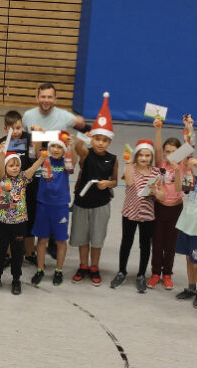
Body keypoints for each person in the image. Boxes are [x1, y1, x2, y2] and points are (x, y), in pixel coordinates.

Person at [22, 83, 85, 262]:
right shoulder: (28, 116)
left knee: (53, 206)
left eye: (50, 97)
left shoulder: (64, 116)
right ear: (37, 98)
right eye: (43, 96)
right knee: (35, 207)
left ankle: (52, 242)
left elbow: (83, 127)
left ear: (55, 99)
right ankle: (30, 247)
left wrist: (81, 124)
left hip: (58, 170)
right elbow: (25, 142)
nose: (46, 100)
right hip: (36, 166)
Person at [70, 93, 118, 286]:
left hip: (101, 204)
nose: (100, 143)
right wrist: (84, 136)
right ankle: (82, 265)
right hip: (82, 202)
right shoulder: (86, 154)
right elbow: (78, 147)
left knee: (97, 238)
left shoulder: (112, 159)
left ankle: (94, 267)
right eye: (97, 139)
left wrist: (109, 184)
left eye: (104, 140)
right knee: (82, 237)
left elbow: (115, 180)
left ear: (109, 142)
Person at [110, 140, 164, 292]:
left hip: (147, 215)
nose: (144, 158)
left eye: (147, 155)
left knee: (145, 245)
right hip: (129, 212)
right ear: (136, 156)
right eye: (141, 155)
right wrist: (127, 163)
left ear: (151, 157)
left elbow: (161, 194)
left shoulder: (156, 172)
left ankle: (141, 274)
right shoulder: (130, 168)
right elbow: (128, 182)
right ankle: (121, 272)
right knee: (126, 242)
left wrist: (156, 192)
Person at [0, 146, 46, 295]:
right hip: (2, 224)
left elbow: (33, 168)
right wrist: (2, 156)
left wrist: (41, 158)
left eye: (17, 165)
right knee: (0, 253)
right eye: (11, 165)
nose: (15, 168)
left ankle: (16, 280)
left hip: (19, 224)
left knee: (17, 254)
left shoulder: (23, 178)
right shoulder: (2, 178)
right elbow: (0, 169)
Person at [30, 131, 77, 286]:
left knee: (60, 240)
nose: (56, 149)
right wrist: (37, 131)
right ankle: (40, 269)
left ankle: (58, 270)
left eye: (59, 147)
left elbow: (74, 160)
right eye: (53, 146)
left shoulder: (66, 162)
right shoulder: (44, 159)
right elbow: (36, 147)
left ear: (64, 150)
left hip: (60, 207)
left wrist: (70, 146)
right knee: (42, 239)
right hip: (43, 205)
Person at [0, 110, 36, 266]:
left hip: (27, 186)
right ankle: (8, 254)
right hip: (6, 189)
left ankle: (29, 252)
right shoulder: (1, 143)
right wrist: (0, 153)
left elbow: (37, 156)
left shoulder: (29, 139)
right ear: (6, 129)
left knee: (28, 218)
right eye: (13, 129)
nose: (17, 132)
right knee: (6, 220)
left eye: (19, 128)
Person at [148, 117, 186, 289]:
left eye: (173, 152)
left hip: (176, 209)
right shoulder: (161, 163)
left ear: (180, 153)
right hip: (159, 208)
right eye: (167, 152)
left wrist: (188, 126)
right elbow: (157, 148)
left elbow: (179, 187)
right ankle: (156, 272)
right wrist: (157, 129)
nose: (169, 155)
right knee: (157, 243)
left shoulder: (182, 165)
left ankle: (168, 274)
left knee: (170, 244)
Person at [174, 156, 197, 309]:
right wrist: (181, 169)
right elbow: (181, 189)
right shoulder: (194, 178)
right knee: (188, 259)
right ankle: (191, 287)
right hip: (186, 226)